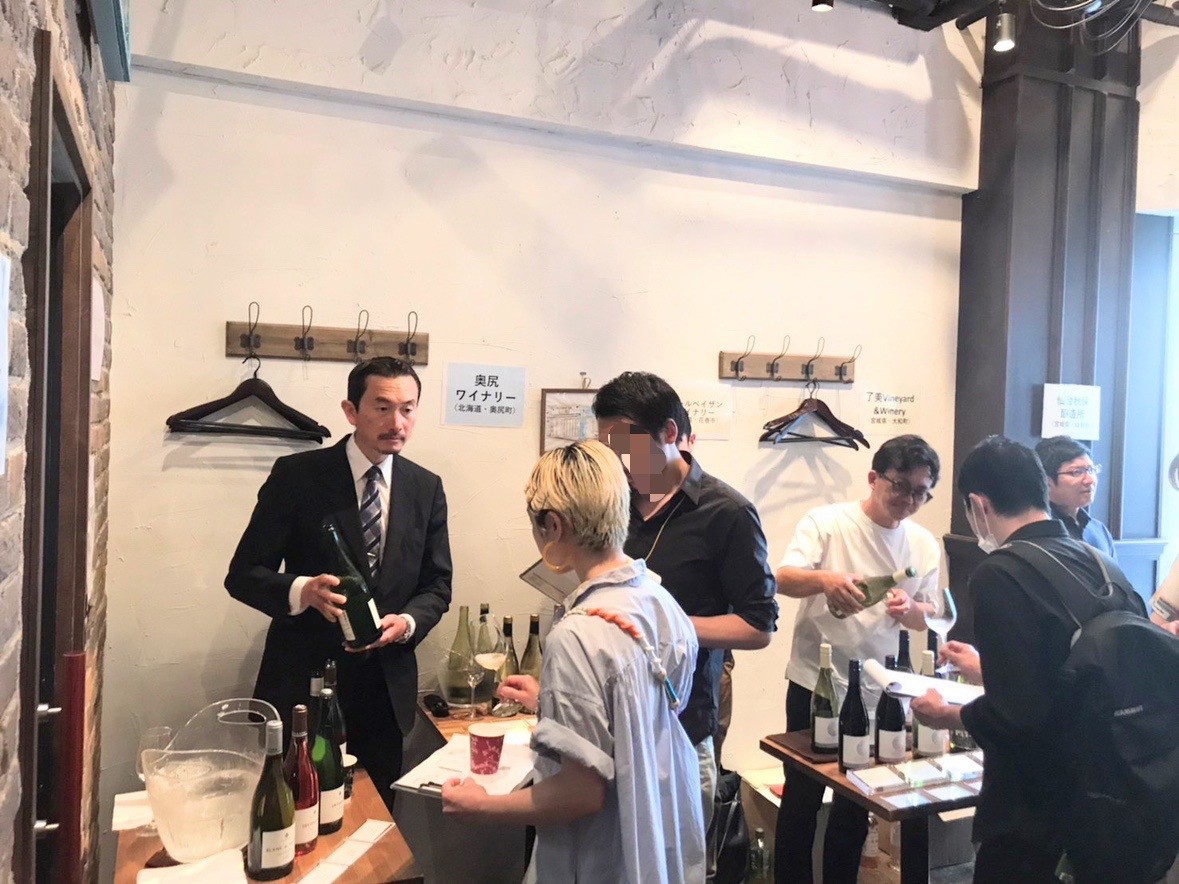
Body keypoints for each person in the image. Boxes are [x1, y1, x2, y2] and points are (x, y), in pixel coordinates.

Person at [440, 440, 706, 883]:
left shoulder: (576, 635)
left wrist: (482, 806)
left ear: (553, 525)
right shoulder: (660, 601)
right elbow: (638, 716)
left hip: (604, 854)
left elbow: (580, 794)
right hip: (656, 832)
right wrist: (551, 700)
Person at [911, 435, 1147, 882]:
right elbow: (1073, 673)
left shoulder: (1001, 572)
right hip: (1112, 792)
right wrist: (986, 669)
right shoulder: (1099, 562)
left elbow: (1018, 716)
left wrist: (947, 715)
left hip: (1035, 807)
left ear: (978, 504)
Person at [225, 356, 452, 811]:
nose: (397, 423)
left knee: (379, 829)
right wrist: (301, 591)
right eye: (382, 408)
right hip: (304, 687)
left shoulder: (425, 487)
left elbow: (437, 585)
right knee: (296, 814)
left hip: (385, 692)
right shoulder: (297, 477)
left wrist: (407, 622)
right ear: (351, 411)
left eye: (407, 409)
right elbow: (243, 574)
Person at [593, 372, 778, 824]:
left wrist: (666, 623)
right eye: (607, 449)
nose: (617, 462)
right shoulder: (613, 503)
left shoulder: (727, 513)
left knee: (681, 856)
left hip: (680, 726)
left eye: (624, 447)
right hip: (610, 720)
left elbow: (758, 627)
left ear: (669, 433)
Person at [774, 433, 941, 884]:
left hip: (882, 690)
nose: (909, 500)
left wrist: (912, 609)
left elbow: (929, 616)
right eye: (900, 486)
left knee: (856, 800)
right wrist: (827, 580)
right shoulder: (828, 522)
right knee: (803, 797)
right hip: (817, 682)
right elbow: (783, 578)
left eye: (921, 492)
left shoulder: (923, 543)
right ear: (873, 478)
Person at [1035, 435, 1117, 559]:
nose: (1090, 480)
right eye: (1077, 472)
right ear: (1047, 481)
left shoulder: (1098, 529)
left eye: (1091, 470)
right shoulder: (1040, 531)